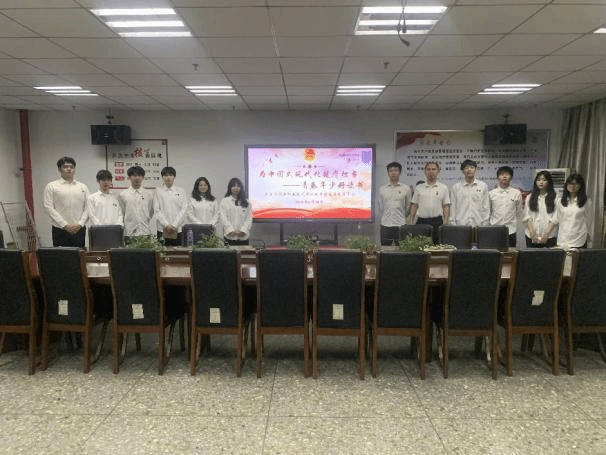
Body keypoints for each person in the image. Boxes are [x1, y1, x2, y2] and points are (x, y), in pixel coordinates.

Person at [43, 156, 89, 247]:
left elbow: (88, 207)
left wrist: (80, 224)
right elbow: (48, 207)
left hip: (79, 229)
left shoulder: (83, 187)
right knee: (61, 255)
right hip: (60, 229)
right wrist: (64, 225)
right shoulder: (52, 186)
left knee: (79, 254)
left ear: (74, 169)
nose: (69, 169)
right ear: (59, 169)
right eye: (65, 167)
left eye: (71, 167)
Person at [409, 162, 450, 243]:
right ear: (425, 171)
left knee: (437, 246)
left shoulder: (443, 188)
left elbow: (446, 206)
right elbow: (414, 205)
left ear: (438, 171)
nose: (431, 171)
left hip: (437, 222)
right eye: (429, 169)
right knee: (420, 246)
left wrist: (446, 223)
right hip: (421, 222)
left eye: (433, 169)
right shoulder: (419, 188)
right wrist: (411, 221)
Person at [153, 166, 188, 246]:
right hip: (162, 229)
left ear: (174, 177)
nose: (168, 177)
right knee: (161, 252)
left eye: (170, 175)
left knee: (178, 252)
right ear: (162, 177)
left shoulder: (181, 191)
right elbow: (156, 210)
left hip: (178, 229)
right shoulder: (158, 191)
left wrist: (174, 225)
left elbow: (184, 209)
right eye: (165, 175)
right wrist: (166, 225)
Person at [377, 161, 411, 246]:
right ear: (388, 173)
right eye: (391, 171)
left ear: (400, 172)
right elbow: (381, 206)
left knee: (402, 249)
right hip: (385, 224)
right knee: (385, 249)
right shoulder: (382, 189)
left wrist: (402, 216)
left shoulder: (406, 188)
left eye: (396, 170)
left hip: (400, 224)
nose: (393, 173)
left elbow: (408, 207)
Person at [489, 166, 523, 247]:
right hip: (495, 228)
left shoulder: (516, 193)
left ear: (511, 177)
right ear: (498, 177)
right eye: (501, 174)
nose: (504, 176)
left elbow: (519, 212)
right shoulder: (491, 193)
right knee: (495, 252)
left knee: (511, 253)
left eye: (507, 174)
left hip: (511, 230)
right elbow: (489, 211)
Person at [450, 159, 490, 227]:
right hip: (460, 226)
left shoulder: (483, 186)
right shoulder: (456, 188)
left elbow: (486, 207)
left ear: (476, 170)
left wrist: (485, 224)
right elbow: (452, 208)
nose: (469, 170)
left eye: (472, 167)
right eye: (466, 168)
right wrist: (453, 225)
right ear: (463, 171)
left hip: (479, 225)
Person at [523, 170, 558, 248]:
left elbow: (555, 218)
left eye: (544, 180)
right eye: (538, 180)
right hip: (531, 236)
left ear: (549, 182)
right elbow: (527, 216)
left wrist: (546, 234)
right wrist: (532, 233)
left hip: (549, 236)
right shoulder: (530, 197)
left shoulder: (555, 197)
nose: (541, 182)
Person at [118, 166, 154, 241]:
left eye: (139, 175)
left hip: (145, 231)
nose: (137, 178)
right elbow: (121, 213)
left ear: (143, 177)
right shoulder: (123, 195)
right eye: (134, 175)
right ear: (129, 177)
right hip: (129, 233)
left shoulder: (149, 194)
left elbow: (150, 212)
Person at [557, 173, 592, 248]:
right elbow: (559, 219)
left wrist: (586, 234)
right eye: (570, 184)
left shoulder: (586, 202)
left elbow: (588, 220)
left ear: (580, 186)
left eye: (576, 184)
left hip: (579, 238)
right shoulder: (560, 201)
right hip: (563, 238)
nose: (572, 186)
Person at [220, 177, 252, 245]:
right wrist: (231, 230)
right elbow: (223, 217)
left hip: (243, 237)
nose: (236, 188)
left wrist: (243, 230)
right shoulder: (225, 201)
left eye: (238, 186)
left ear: (241, 188)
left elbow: (249, 218)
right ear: (230, 188)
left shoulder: (247, 202)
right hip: (229, 236)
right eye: (234, 186)